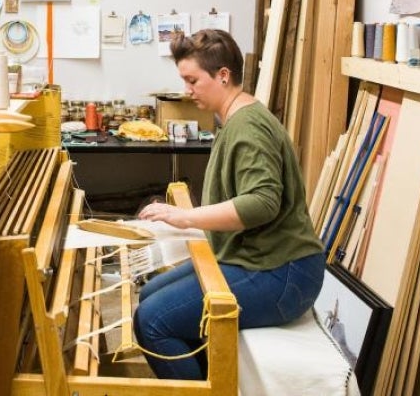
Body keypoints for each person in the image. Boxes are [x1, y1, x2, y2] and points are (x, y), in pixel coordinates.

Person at [134, 28, 325, 380]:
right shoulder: (234, 118)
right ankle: (211, 379)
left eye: (193, 80)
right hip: (257, 260)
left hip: (282, 273)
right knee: (148, 296)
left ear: (223, 75)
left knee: (153, 322)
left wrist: (185, 216)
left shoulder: (248, 126)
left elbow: (262, 203)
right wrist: (185, 219)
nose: (187, 90)